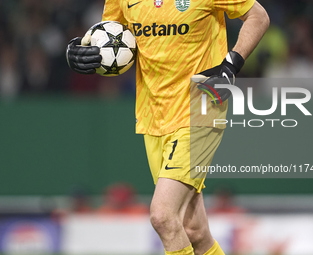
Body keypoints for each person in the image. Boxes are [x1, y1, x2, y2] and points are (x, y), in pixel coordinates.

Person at [66, 0, 269, 254]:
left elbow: (258, 16)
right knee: (193, 230)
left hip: (201, 106)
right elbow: (119, 46)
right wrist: (85, 53)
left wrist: (231, 65)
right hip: (153, 115)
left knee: (163, 216)